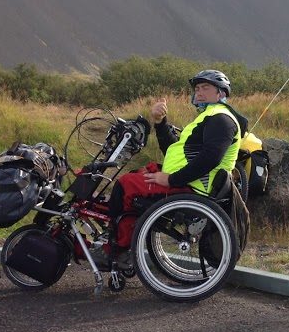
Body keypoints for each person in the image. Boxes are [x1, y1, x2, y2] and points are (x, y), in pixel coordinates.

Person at [92, 69, 248, 269]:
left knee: (125, 185)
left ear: (221, 93)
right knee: (135, 176)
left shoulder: (221, 119)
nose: (199, 92)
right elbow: (174, 151)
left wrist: (171, 180)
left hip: (191, 187)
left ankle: (116, 249)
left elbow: (210, 158)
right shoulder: (208, 117)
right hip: (186, 181)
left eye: (205, 88)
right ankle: (123, 238)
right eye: (197, 88)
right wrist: (160, 122)